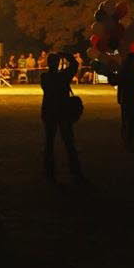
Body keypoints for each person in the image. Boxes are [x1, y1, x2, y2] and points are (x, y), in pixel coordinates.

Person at [40, 52, 83, 182]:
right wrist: (66, 55)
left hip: (49, 110)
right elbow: (74, 64)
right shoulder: (64, 76)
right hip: (63, 110)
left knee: (49, 142)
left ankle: (49, 169)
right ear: (58, 63)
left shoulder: (44, 77)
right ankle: (74, 168)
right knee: (69, 141)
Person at [113, 53, 134, 150]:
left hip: (125, 98)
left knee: (126, 120)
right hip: (132, 99)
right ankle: (129, 142)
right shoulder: (131, 71)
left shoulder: (123, 70)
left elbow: (118, 84)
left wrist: (119, 98)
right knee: (132, 121)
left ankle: (126, 141)